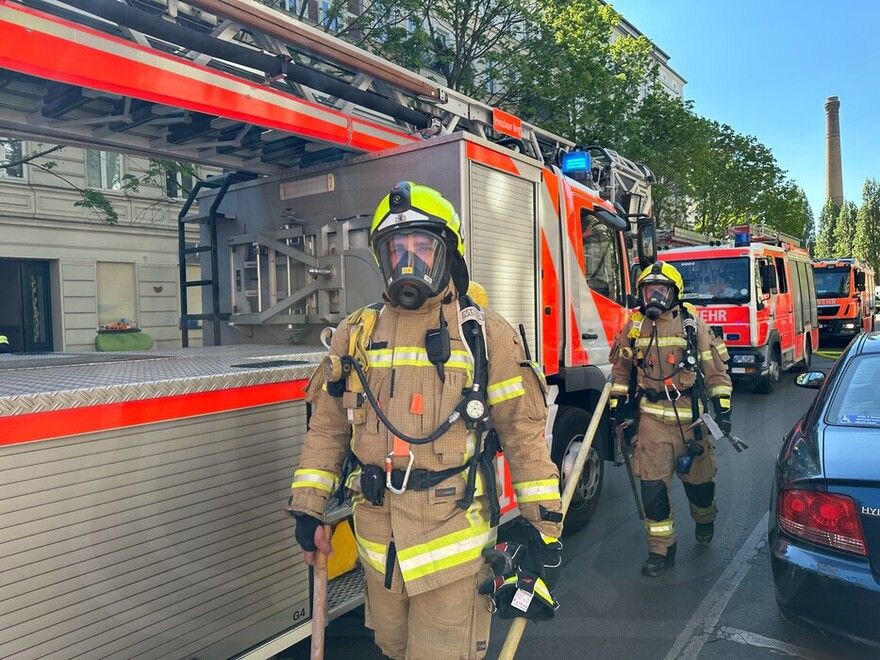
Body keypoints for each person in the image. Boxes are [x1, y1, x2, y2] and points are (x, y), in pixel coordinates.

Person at [286, 182, 563, 658]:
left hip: (453, 550)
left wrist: (543, 525)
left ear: (448, 252)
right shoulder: (355, 333)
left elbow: (523, 433)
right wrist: (308, 508)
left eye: (422, 247)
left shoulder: (483, 334)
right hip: (380, 548)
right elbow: (329, 428)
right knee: (393, 651)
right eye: (397, 250)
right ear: (382, 259)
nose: (408, 263)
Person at [608, 261, 733, 577]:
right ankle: (662, 551)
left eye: (661, 291)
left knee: (700, 486)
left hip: (692, 422)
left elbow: (715, 372)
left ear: (675, 293)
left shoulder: (693, 326)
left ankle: (705, 519)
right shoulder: (633, 328)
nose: (655, 297)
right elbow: (621, 373)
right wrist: (618, 406)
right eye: (650, 291)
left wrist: (723, 408)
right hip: (651, 420)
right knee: (652, 491)